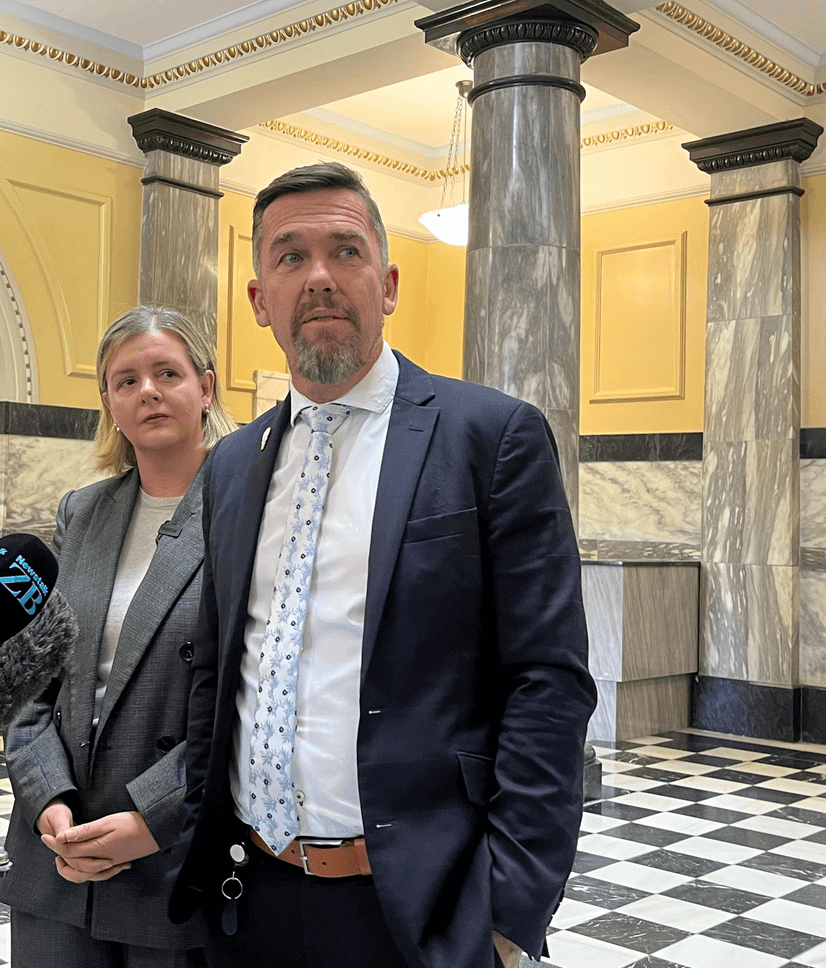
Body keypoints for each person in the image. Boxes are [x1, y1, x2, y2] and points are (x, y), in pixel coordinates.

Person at [168, 163, 596, 968]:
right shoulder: (230, 463)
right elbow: (219, 673)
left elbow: (548, 683)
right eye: (290, 257)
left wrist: (507, 914)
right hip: (246, 897)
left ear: (388, 282)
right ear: (260, 300)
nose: (321, 278)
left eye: (346, 251)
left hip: (417, 909)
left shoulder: (489, 437)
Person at [0, 306, 238, 967]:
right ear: (107, 401)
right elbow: (28, 676)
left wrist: (149, 821)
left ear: (206, 388)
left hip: (171, 859)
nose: (147, 392)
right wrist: (48, 797)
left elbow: (247, 706)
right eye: (125, 380)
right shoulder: (83, 511)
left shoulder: (243, 518)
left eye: (167, 372)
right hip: (56, 854)